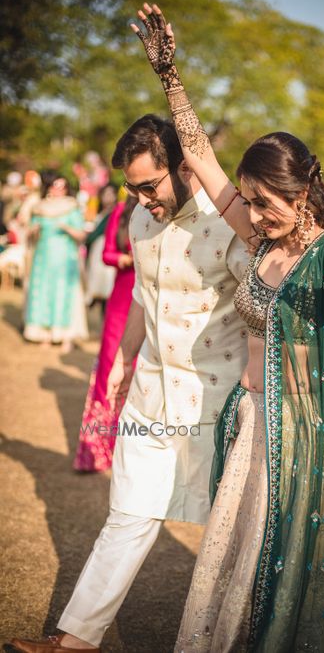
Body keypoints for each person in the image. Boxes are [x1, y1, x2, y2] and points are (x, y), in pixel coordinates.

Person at [128, 3, 324, 652]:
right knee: (237, 562)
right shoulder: (260, 243)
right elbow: (200, 158)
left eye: (265, 203)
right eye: (248, 201)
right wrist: (170, 75)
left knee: (284, 572)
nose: (253, 215)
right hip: (249, 427)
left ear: (301, 191)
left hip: (302, 442)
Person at [9, 115, 249, 652]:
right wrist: (121, 363)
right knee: (128, 516)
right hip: (149, 392)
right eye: (132, 188)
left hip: (217, 403)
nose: (141, 200)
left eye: (149, 186)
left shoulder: (229, 220)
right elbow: (143, 295)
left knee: (231, 535)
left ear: (185, 168)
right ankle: (75, 641)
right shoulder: (141, 221)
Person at [73, 192, 138, 472]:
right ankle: (99, 449)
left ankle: (133, 448)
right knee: (111, 364)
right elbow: (106, 253)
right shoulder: (121, 211)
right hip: (123, 296)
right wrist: (126, 259)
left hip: (156, 298)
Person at [23, 175, 88, 353]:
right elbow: (29, 235)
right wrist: (33, 231)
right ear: (49, 188)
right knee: (43, 293)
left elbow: (82, 235)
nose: (58, 190)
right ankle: (45, 334)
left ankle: (66, 335)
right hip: (43, 259)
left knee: (63, 295)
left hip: (64, 259)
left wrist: (67, 229)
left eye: (62, 187)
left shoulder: (72, 208)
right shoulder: (40, 208)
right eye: (55, 186)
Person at [84, 183, 118, 313]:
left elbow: (98, 233)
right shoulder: (101, 212)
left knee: (106, 286)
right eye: (105, 194)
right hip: (96, 252)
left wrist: (88, 237)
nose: (107, 197)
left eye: (110, 194)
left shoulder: (114, 213)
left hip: (106, 250)